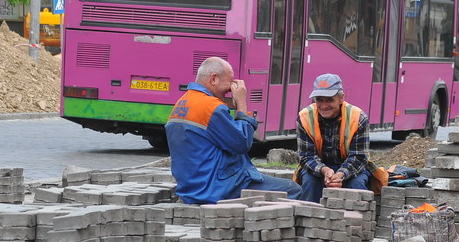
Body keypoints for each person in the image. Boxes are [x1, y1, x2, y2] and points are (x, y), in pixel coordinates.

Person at [165, 57, 303, 204]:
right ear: (214, 79)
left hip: (191, 187)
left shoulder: (182, 103)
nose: (231, 89)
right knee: (293, 190)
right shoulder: (211, 107)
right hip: (216, 187)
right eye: (230, 81)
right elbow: (242, 142)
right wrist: (242, 105)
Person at [295, 73, 389, 203]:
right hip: (318, 168)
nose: (323, 105)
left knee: (356, 188)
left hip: (352, 167)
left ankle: (357, 221)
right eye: (319, 100)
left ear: (341, 98)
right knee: (310, 183)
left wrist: (341, 174)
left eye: (329, 100)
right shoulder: (305, 118)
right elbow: (306, 157)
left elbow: (359, 157)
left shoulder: (358, 118)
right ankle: (308, 221)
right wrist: (325, 170)